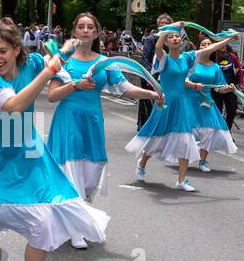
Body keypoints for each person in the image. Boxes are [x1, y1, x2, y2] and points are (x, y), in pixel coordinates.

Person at [0, 19, 108, 261]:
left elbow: (55, 58)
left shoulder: (31, 63)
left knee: (43, 224)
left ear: (17, 49)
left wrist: (67, 50)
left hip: (31, 156)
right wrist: (51, 70)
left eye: (2, 51)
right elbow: (15, 106)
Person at [45, 12, 162, 240]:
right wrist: (75, 85)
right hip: (67, 122)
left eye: (90, 27)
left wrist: (152, 92)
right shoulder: (63, 61)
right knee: (71, 172)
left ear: (96, 32)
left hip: (93, 123)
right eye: (81, 26)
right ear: (74, 31)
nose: (86, 30)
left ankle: (83, 217)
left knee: (91, 174)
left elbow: (125, 88)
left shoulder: (104, 63)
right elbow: (52, 96)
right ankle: (76, 229)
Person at [128, 24, 231, 191]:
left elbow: (209, 48)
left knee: (185, 140)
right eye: (171, 36)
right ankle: (142, 163)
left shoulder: (187, 58)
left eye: (177, 36)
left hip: (182, 105)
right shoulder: (163, 59)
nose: (175, 38)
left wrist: (228, 39)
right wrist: (169, 29)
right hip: (166, 104)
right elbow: (157, 46)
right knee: (156, 139)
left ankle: (181, 180)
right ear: (167, 41)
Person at [186, 33, 240, 172]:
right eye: (203, 44)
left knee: (210, 130)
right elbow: (181, 81)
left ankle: (203, 161)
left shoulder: (216, 67)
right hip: (189, 100)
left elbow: (219, 88)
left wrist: (227, 88)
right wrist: (193, 85)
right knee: (187, 130)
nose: (206, 47)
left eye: (209, 45)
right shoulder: (190, 62)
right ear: (199, 47)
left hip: (207, 101)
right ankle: (184, 156)